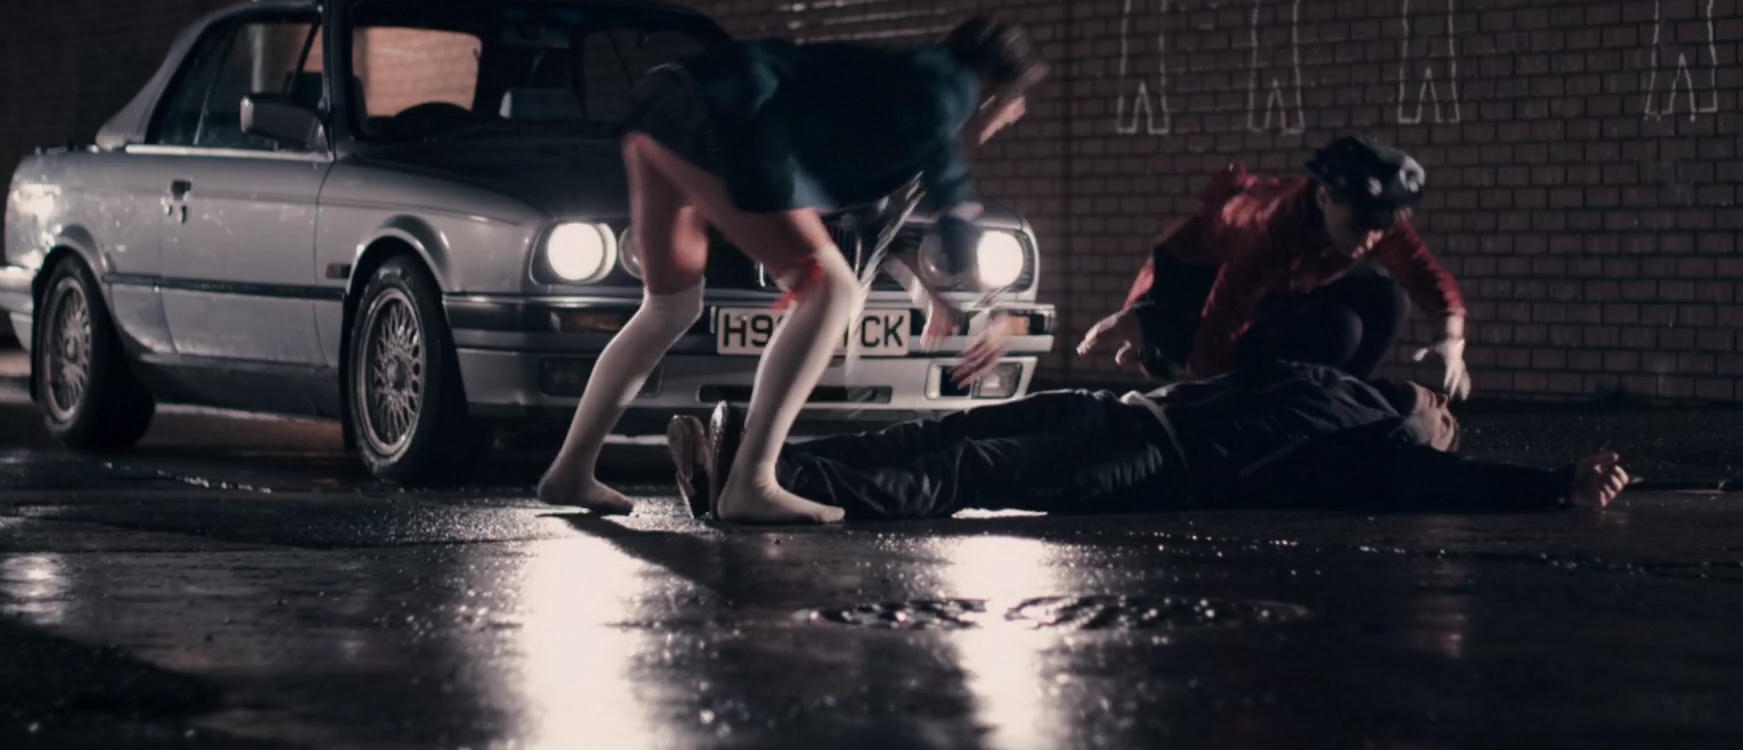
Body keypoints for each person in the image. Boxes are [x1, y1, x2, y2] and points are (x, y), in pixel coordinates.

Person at [537, 16, 1045, 523]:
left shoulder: (906, 80)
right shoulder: (949, 89)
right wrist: (993, 310)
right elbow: (955, 202)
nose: (1012, 119)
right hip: (720, 124)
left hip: (666, 108)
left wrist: (933, 294)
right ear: (995, 92)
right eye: (1013, 106)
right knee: (832, 293)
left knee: (670, 307)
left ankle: (571, 471)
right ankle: (752, 482)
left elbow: (872, 222)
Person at [664, 358, 1631, 520]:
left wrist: (1555, 482)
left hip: (1151, 463)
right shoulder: (1332, 380)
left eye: (1448, 418)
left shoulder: (1382, 440)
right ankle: (754, 465)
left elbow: (1443, 485)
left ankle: (764, 489)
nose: (1441, 405)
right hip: (1124, 410)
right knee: (941, 430)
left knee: (969, 470)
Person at [1078, 135, 1470, 395]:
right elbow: (1223, 318)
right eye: (1358, 227)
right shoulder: (1274, 228)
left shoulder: (1376, 220)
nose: (1368, 241)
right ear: (1324, 199)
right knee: (1339, 329)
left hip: (1286, 285)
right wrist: (1168, 339)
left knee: (1386, 296)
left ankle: (1339, 401)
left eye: (1378, 230)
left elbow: (1422, 273)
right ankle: (1155, 325)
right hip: (1195, 282)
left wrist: (1451, 339)